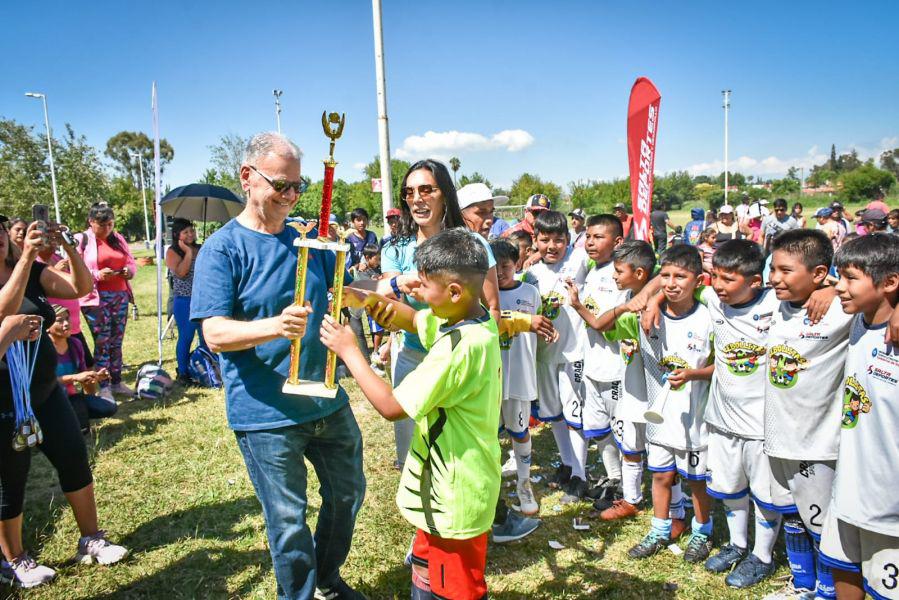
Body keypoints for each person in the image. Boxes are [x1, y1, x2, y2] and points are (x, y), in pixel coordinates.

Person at [190, 132, 366, 600]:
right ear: (248, 178)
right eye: (280, 185)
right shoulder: (222, 249)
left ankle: (326, 578)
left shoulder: (308, 242)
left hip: (326, 400)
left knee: (348, 495)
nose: (290, 196)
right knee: (288, 521)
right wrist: (274, 326)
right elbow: (214, 334)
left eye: (298, 187)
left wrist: (396, 289)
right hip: (265, 413)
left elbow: (343, 295)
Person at [321, 229, 502, 600]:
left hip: (455, 496)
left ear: (454, 292)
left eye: (426, 284)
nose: (418, 291)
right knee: (426, 575)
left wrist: (350, 351)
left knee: (455, 590)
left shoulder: (457, 349)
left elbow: (391, 407)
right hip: (447, 490)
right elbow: (413, 320)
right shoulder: (472, 320)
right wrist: (364, 298)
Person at [0, 216, 127, 589]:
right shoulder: (25, 267)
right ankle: (15, 560)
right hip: (6, 397)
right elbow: (4, 308)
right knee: (12, 477)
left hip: (45, 390)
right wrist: (25, 259)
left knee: (73, 455)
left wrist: (69, 246)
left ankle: (91, 539)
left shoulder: (36, 271)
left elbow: (79, 287)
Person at [378, 160, 501, 474]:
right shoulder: (397, 248)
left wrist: (480, 356)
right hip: (412, 356)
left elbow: (492, 309)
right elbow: (383, 296)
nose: (416, 198)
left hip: (460, 361)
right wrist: (396, 284)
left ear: (444, 194)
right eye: (409, 192)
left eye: (426, 189)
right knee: (412, 455)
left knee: (460, 455)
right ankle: (421, 516)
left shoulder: (474, 245)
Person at [698, 241, 807, 589]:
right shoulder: (713, 299)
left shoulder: (778, 304)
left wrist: (825, 292)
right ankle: (737, 544)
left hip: (762, 426)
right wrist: (653, 299)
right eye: (715, 276)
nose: (718, 285)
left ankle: (762, 556)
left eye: (728, 279)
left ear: (755, 282)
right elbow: (665, 276)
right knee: (730, 489)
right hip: (722, 418)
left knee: (765, 496)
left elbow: (823, 289)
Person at [763, 229, 853, 599]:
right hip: (775, 436)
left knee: (821, 524)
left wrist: (833, 287)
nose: (774, 278)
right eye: (773, 269)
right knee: (793, 517)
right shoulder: (769, 303)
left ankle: (828, 590)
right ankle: (803, 585)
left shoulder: (841, 309)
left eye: (786, 271)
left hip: (816, 443)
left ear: (817, 273)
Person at [817, 233, 899, 600]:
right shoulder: (859, 319)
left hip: (889, 500)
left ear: (890, 282)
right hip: (847, 487)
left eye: (850, 278)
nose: (840, 288)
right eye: (839, 277)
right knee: (843, 569)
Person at [626, 245, 715, 563]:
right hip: (659, 419)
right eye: (666, 275)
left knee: (695, 481)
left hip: (694, 420)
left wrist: (694, 374)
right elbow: (606, 323)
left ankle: (703, 531)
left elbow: (722, 366)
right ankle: (659, 529)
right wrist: (650, 300)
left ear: (699, 281)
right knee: (661, 476)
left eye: (681, 276)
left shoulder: (709, 318)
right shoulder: (644, 315)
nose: (672, 283)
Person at [523, 211, 588, 495]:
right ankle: (566, 463)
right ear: (535, 240)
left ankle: (580, 475)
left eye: (559, 240)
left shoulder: (580, 261)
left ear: (568, 240)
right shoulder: (531, 275)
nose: (552, 246)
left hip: (574, 353)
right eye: (545, 239)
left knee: (576, 416)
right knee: (554, 414)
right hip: (544, 356)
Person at [564, 215, 627, 506]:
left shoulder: (619, 275)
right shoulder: (592, 271)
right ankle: (613, 477)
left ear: (616, 242)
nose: (590, 242)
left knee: (620, 429)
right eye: (588, 236)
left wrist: (577, 305)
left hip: (616, 367)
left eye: (598, 237)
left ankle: (627, 485)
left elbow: (608, 324)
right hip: (592, 363)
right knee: (597, 427)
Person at [491, 239, 547, 516]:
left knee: (520, 431)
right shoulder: (483, 296)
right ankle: (491, 488)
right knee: (489, 435)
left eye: (506, 266)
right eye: (495, 267)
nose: (501, 272)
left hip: (520, 376)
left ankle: (524, 485)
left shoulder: (531, 293)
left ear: (517, 264)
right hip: (490, 377)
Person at [78, 203, 137, 401]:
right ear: (91, 222)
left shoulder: (118, 238)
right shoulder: (83, 240)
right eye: (102, 225)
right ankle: (104, 386)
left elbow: (130, 261)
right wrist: (96, 275)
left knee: (116, 341)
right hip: (95, 299)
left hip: (119, 295)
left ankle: (116, 381)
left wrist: (129, 271)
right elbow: (75, 269)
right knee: (102, 341)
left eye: (110, 224)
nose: (107, 229)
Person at [48, 304, 117, 432]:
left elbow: (86, 386)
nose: (66, 323)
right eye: (59, 320)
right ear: (47, 327)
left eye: (67, 319)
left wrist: (93, 378)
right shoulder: (43, 349)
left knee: (109, 407)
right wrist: (74, 377)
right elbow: (43, 383)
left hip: (73, 398)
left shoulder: (75, 344)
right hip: (50, 402)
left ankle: (76, 416)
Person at [36, 235, 94, 368]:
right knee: (60, 368)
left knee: (86, 365)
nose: (53, 243)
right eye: (48, 239)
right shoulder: (36, 263)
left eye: (54, 240)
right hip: (55, 327)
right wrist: (55, 271)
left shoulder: (58, 258)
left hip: (72, 325)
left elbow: (79, 283)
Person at [165, 218, 206, 384]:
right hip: (184, 300)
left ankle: (206, 367)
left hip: (204, 299)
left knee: (206, 337)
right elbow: (181, 273)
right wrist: (188, 253)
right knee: (186, 336)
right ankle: (182, 373)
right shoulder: (172, 252)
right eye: (186, 232)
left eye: (192, 230)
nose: (190, 234)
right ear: (177, 235)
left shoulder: (202, 248)